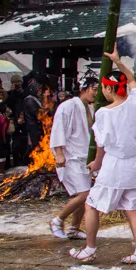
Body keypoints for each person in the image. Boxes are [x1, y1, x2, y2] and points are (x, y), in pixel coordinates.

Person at [68, 46, 136, 264]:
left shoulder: (104, 113)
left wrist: (96, 163)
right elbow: (132, 80)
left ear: (108, 89)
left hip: (116, 164)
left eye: (103, 88)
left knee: (91, 204)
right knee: (132, 208)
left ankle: (90, 248)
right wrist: (118, 61)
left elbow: (101, 144)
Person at [48, 78, 97, 241]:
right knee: (85, 194)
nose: (96, 93)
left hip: (84, 157)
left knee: (84, 195)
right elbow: (58, 130)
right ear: (84, 88)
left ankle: (74, 228)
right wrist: (59, 153)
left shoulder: (90, 109)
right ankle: (57, 220)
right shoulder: (67, 106)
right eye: (94, 89)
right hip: (71, 157)